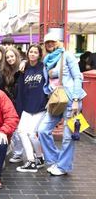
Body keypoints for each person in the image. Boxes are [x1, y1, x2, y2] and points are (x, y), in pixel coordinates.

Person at [38, 32, 86, 176]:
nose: (50, 44)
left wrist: (77, 100)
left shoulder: (68, 56)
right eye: (47, 43)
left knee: (68, 136)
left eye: (52, 41)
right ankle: (56, 160)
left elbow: (78, 77)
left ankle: (63, 166)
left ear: (58, 42)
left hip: (71, 99)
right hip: (56, 99)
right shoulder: (46, 59)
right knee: (42, 130)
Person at [15, 44, 48, 172]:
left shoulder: (43, 67)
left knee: (32, 134)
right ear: (27, 53)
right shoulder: (24, 68)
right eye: (31, 52)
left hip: (40, 106)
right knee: (22, 131)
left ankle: (33, 160)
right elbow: (21, 90)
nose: (33, 54)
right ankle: (35, 159)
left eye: (35, 52)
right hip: (27, 107)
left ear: (39, 55)